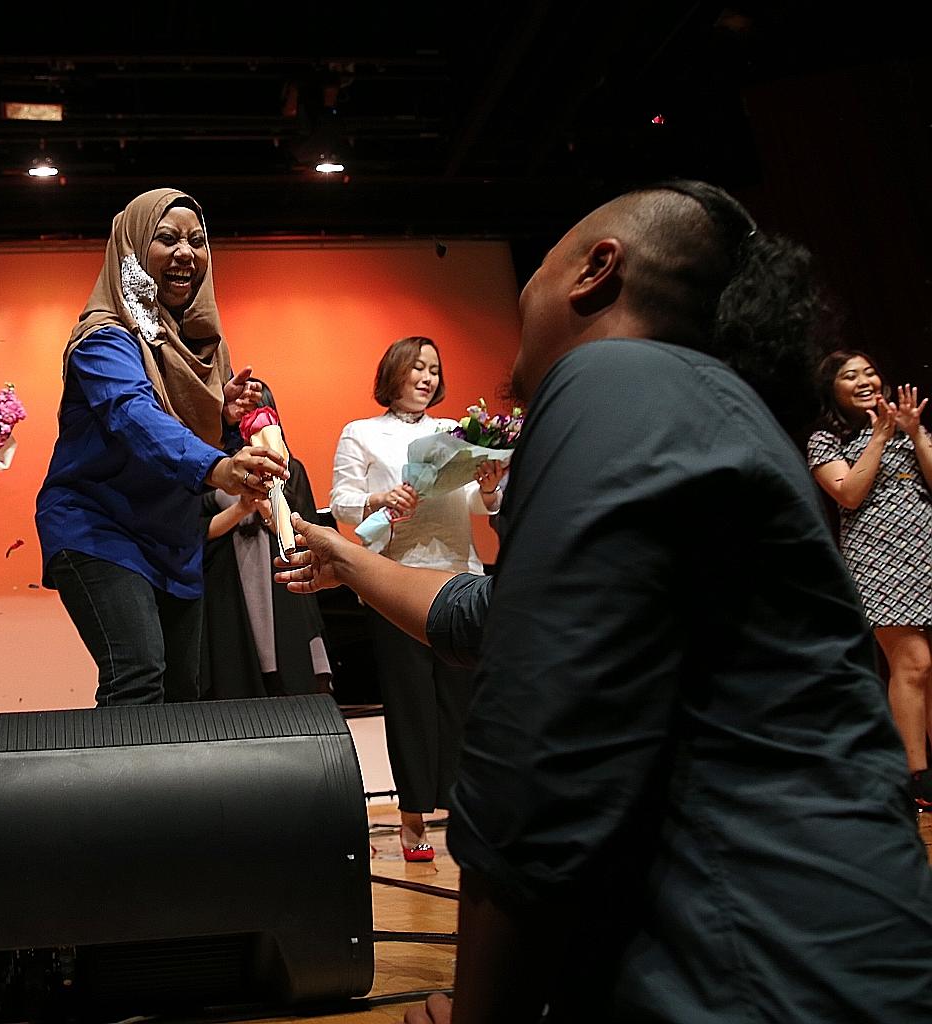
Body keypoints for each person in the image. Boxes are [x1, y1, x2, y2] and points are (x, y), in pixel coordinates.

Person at [278, 181, 932, 1022]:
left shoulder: (613, 377)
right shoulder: (690, 404)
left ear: (595, 271)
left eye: (545, 257)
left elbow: (533, 754)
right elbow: (487, 616)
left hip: (763, 975)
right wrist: (347, 556)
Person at [35, 188, 286, 707]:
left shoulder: (200, 349)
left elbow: (179, 424)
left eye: (196, 242)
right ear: (130, 251)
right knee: (138, 674)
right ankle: (116, 793)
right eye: (166, 239)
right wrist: (217, 465)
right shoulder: (104, 340)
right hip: (98, 528)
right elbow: (134, 416)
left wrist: (222, 417)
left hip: (172, 537)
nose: (185, 253)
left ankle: (170, 794)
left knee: (181, 696)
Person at [328, 337, 502, 862]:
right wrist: (378, 499)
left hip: (459, 574)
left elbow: (474, 502)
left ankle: (466, 808)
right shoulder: (361, 432)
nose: (427, 377)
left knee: (464, 699)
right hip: (394, 580)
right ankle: (410, 815)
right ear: (394, 373)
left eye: (434, 369)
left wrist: (490, 485)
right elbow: (341, 501)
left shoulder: (452, 434)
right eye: (418, 368)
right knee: (408, 701)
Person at [807, 352, 932, 807]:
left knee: (930, 668)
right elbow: (848, 492)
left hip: (925, 551)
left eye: (869, 371)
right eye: (850, 376)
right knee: (913, 662)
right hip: (879, 561)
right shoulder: (826, 440)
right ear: (832, 390)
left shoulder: (906, 424)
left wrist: (914, 432)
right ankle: (917, 776)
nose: (865, 380)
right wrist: (879, 435)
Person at [199, 380, 330, 699]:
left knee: (295, 694)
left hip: (283, 586)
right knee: (235, 695)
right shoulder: (210, 469)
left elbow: (308, 536)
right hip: (228, 587)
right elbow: (196, 533)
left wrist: (269, 507)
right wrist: (243, 506)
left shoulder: (291, 469)